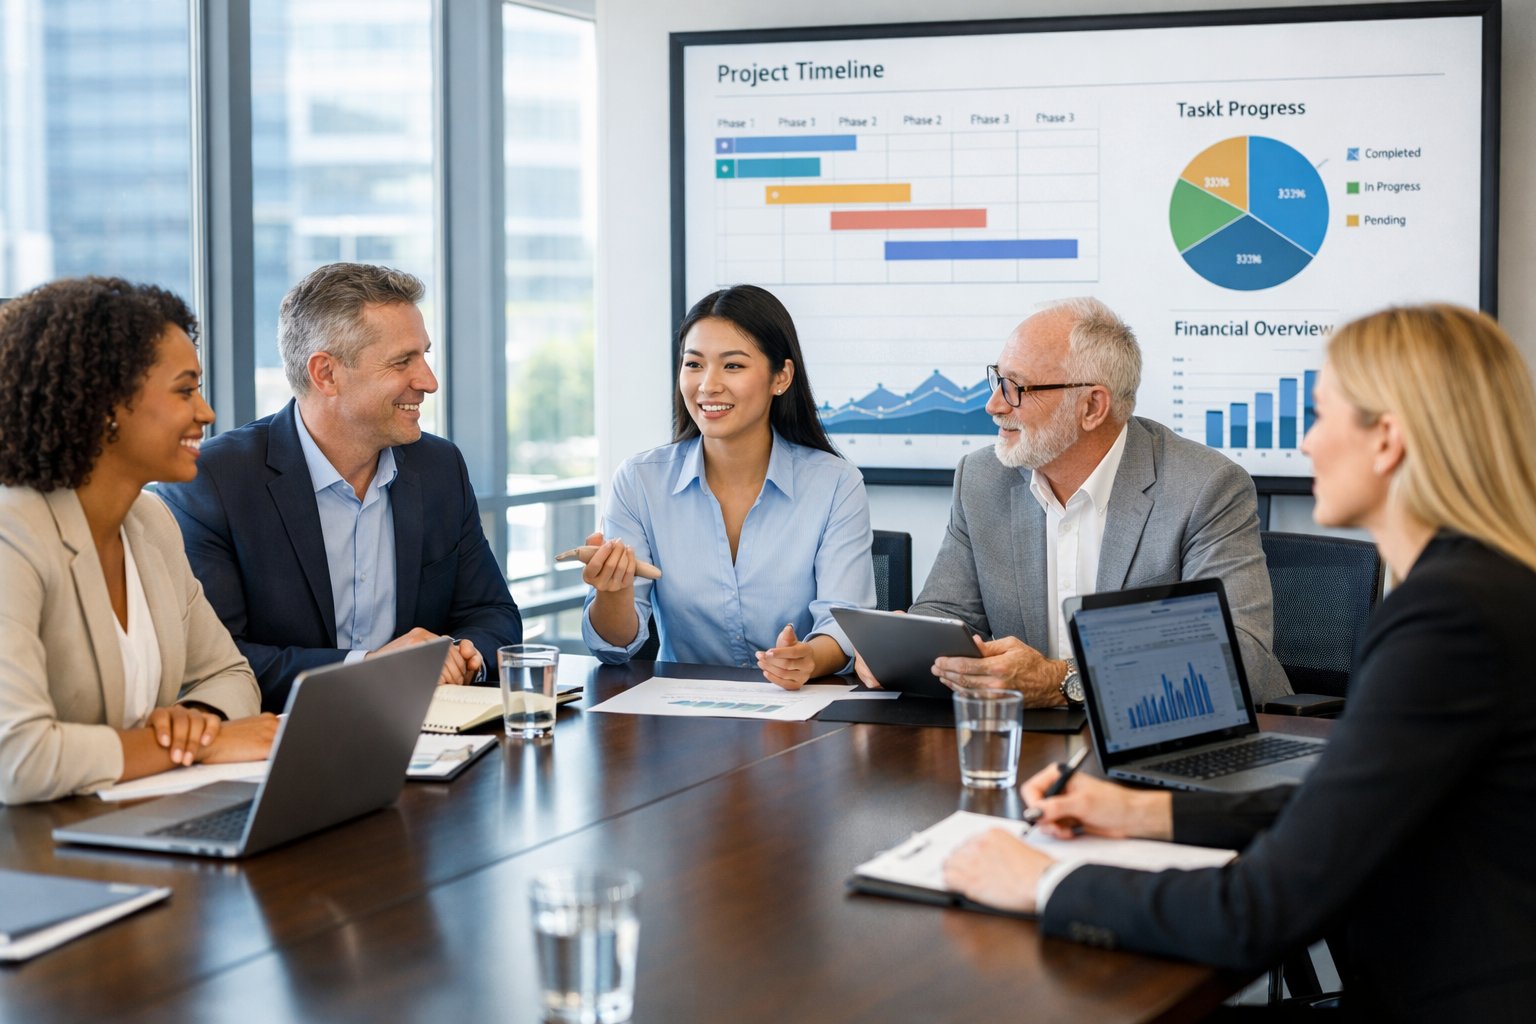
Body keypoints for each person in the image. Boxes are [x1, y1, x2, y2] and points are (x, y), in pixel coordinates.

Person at [943, 304, 1536, 1020]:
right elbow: (1345, 807)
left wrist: (1043, 884)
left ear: (1388, 440)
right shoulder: (1483, 590)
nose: (1308, 444)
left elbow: (1257, 909)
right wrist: (1141, 811)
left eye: (1320, 416)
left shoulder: (1447, 625)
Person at [858, 297, 1289, 707]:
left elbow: (1238, 657)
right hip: (1027, 741)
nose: (993, 405)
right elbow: (948, 615)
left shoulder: (1204, 487)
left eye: (1016, 388)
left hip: (1168, 738)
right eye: (997, 380)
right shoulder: (983, 478)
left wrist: (1060, 682)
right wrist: (903, 652)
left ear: (1092, 407)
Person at [158, 263, 521, 712]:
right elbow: (217, 661)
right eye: (402, 361)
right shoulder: (214, 481)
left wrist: (463, 656)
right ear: (326, 374)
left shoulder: (440, 465)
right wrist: (370, 668)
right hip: (284, 750)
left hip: (434, 736)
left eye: (424, 356)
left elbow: (493, 614)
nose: (428, 381)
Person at [0, 277, 273, 804]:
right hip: (31, 862)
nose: (207, 413)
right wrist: (197, 746)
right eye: (185, 390)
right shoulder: (13, 534)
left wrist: (197, 721)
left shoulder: (149, 521)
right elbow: (18, 757)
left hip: (132, 829)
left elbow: (228, 672)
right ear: (106, 404)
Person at [581, 284, 875, 688]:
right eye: (694, 364)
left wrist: (807, 658)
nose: (708, 385)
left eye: (732, 366)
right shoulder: (639, 481)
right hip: (681, 720)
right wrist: (612, 592)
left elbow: (843, 624)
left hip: (799, 718)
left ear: (781, 377)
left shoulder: (836, 484)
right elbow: (614, 648)